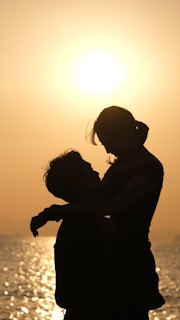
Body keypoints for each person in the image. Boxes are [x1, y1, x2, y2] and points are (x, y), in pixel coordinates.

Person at [31, 106, 165, 319]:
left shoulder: (149, 167)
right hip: (114, 254)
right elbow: (92, 194)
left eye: (107, 142)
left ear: (121, 133)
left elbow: (115, 204)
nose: (107, 151)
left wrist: (60, 211)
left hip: (132, 256)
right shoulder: (122, 165)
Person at [31, 149, 117, 320]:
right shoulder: (87, 226)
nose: (97, 173)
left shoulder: (77, 222)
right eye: (90, 170)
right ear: (81, 183)